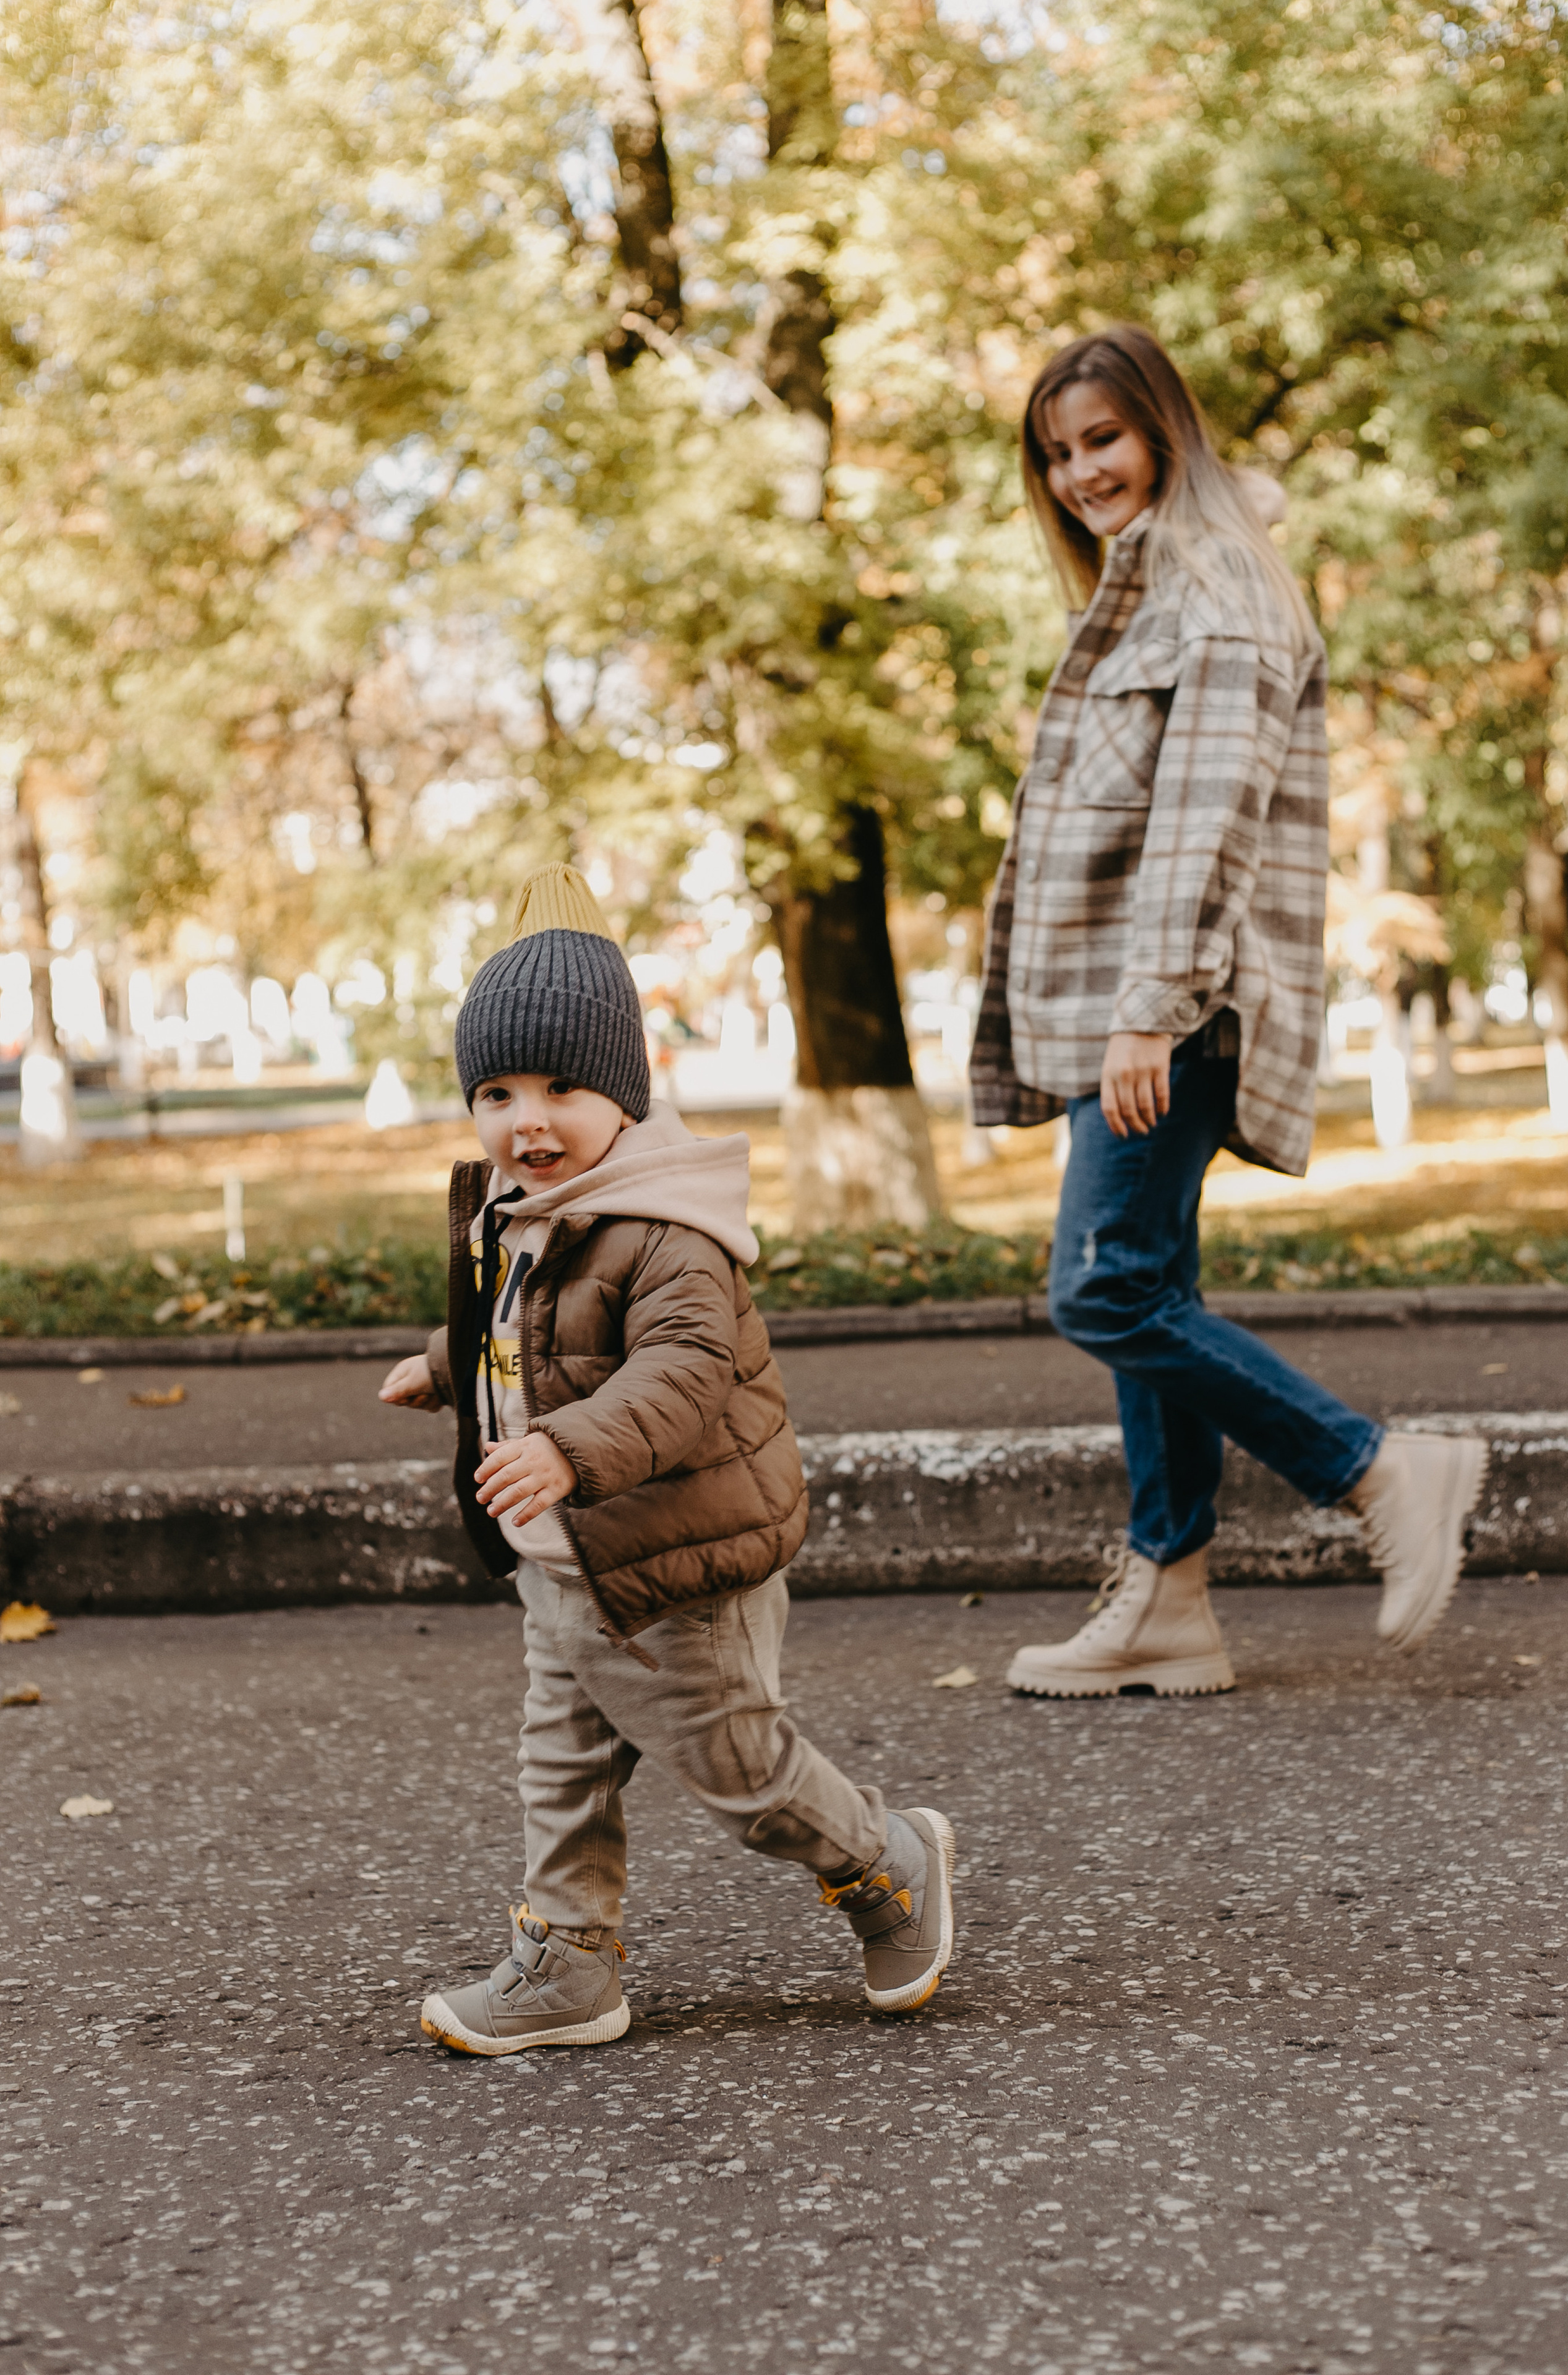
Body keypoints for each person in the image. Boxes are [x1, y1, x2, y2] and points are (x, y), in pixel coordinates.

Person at [969, 325, 1487, 1699]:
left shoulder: (1214, 585)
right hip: (1133, 1004)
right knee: (1147, 1282)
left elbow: (1204, 821)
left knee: (1102, 1287)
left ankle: (1375, 1469)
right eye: (1057, 452)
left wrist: (1147, 1013)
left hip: (1172, 1007)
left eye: (1103, 439)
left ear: (1165, 430)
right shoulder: (1148, 590)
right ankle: (1167, 1599)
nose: (1080, 472)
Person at [379, 863, 954, 2052]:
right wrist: (446, 1362)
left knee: (743, 1773)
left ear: (628, 1094)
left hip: (677, 1567)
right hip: (570, 1560)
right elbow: (536, 1337)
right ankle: (571, 1962)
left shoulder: (667, 1230)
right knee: (562, 1765)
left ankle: (889, 1864)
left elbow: (678, 1379)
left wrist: (567, 1450)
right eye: (495, 1090)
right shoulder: (528, 1211)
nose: (525, 1119)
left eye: (562, 1086)